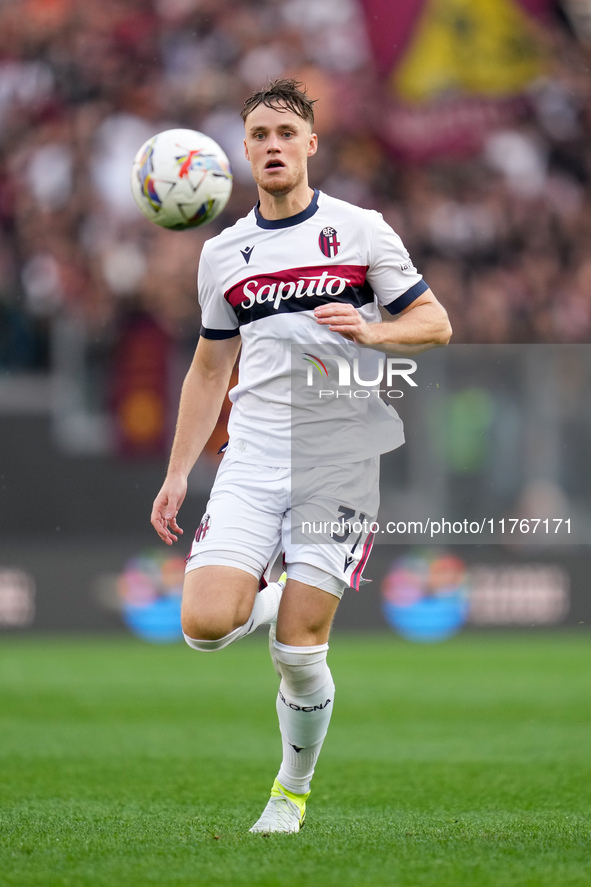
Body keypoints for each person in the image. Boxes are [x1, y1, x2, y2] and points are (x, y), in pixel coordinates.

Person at [151, 78, 451, 834]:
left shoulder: (360, 231)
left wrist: (373, 331)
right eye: (259, 134)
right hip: (250, 457)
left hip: (339, 457)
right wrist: (178, 470)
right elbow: (209, 368)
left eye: (286, 132)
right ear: (243, 151)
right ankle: (281, 589)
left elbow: (434, 322)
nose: (273, 145)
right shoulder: (223, 255)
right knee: (203, 625)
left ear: (311, 143)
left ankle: (288, 793)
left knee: (297, 646)